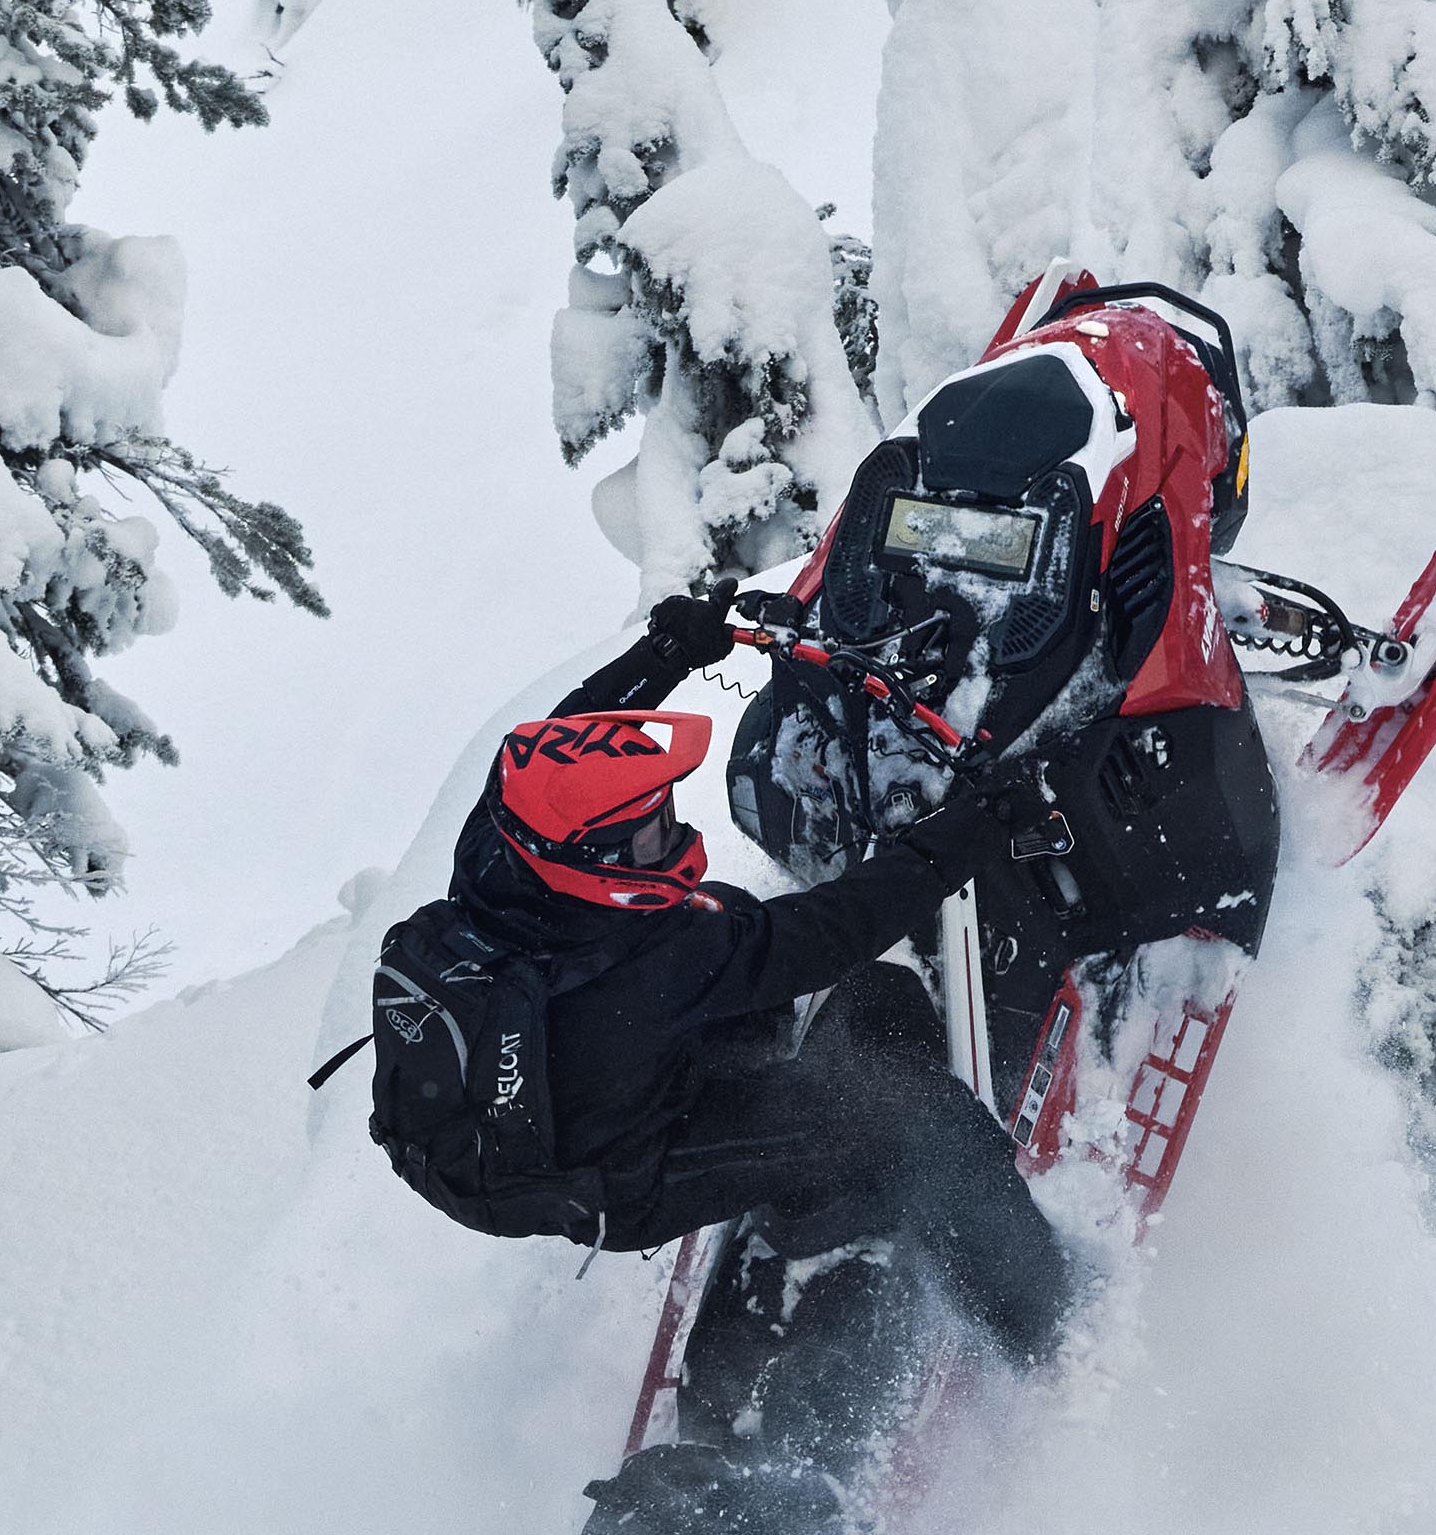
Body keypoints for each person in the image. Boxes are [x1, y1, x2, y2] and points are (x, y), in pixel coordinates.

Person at [419, 590, 1078, 1387]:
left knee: (727, 913)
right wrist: (981, 825)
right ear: (594, 866)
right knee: (923, 1123)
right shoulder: (656, 964)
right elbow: (832, 929)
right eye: (650, 830)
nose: (673, 830)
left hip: (532, 1080)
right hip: (608, 1175)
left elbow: (557, 746)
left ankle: (748, 1106)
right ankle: (1051, 1330)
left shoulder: (501, 847)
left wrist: (661, 658)